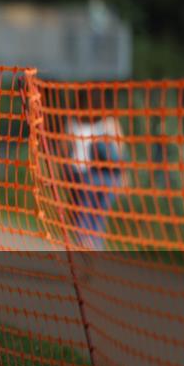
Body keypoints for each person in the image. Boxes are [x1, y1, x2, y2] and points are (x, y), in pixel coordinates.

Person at [63, 88, 126, 250]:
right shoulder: (109, 122)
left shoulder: (73, 121)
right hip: (105, 177)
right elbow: (121, 151)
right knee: (97, 220)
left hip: (83, 175)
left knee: (82, 217)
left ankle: (84, 251)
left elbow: (64, 150)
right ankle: (91, 252)